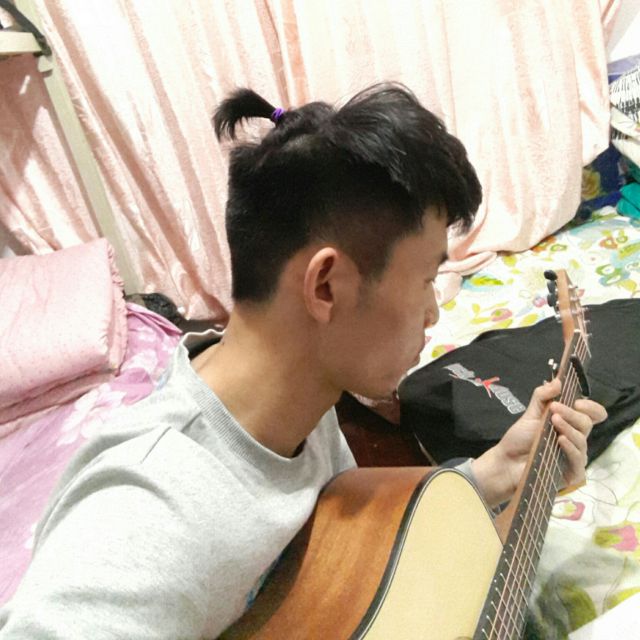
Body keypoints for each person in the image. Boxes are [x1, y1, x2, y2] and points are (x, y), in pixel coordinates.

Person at [0, 83, 606, 639]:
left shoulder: (303, 402)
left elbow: (335, 546)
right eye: (426, 279)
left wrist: (496, 473)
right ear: (325, 287)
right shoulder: (144, 520)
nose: (433, 312)